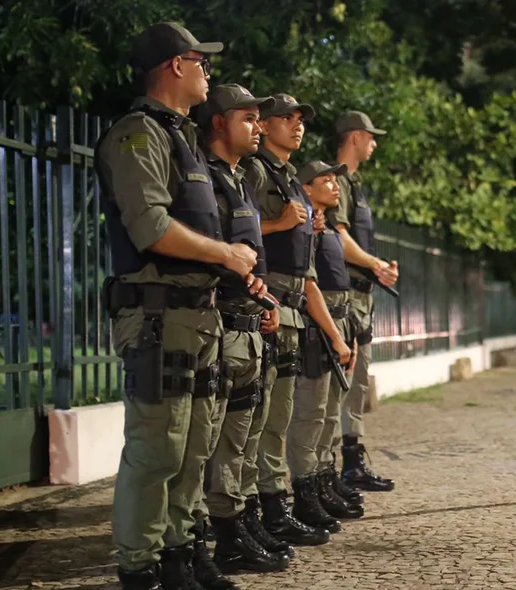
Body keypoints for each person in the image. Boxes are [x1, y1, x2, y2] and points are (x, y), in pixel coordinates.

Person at [95, 22, 257, 590]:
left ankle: (181, 556)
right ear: (173, 66)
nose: (207, 70)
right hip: (160, 317)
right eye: (200, 60)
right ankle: (138, 570)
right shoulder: (138, 134)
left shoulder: (183, 138)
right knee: (157, 448)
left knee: (193, 449)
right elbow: (152, 228)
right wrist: (228, 255)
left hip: (198, 315)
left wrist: (235, 268)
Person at [189, 84, 292, 582]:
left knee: (246, 435)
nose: (257, 126)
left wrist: (264, 299)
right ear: (219, 123)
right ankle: (223, 533)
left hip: (251, 324)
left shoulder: (238, 179)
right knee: (220, 441)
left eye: (258, 118)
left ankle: (240, 520)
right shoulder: (205, 179)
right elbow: (213, 250)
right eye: (248, 118)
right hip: (222, 323)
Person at [244, 93, 352, 546]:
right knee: (257, 421)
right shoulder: (253, 171)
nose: (296, 124)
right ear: (264, 127)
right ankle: (253, 511)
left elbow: (306, 273)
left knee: (278, 416)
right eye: (284, 118)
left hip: (292, 308)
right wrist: (281, 224)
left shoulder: (288, 178)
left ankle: (273, 505)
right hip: (265, 306)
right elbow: (232, 231)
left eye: (300, 119)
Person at [285, 160, 364, 533]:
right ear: (305, 187)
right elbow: (309, 285)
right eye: (326, 181)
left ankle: (323, 478)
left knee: (331, 413)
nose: (335, 186)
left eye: (336, 180)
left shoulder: (326, 227)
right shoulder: (305, 230)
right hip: (317, 328)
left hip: (339, 320)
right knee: (310, 415)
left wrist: (349, 332)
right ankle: (305, 489)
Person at [328, 111, 399, 493]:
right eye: (371, 136)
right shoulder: (335, 180)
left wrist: (378, 269)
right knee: (341, 383)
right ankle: (330, 470)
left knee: (357, 382)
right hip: (344, 295)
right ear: (354, 137)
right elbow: (337, 238)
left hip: (361, 294)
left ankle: (352, 462)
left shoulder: (354, 183)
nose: (374, 143)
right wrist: (374, 264)